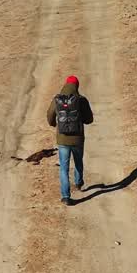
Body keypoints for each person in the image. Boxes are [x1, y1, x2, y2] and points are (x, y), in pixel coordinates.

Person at [46, 75, 94, 206]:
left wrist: (54, 124)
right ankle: (78, 182)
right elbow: (89, 119)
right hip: (78, 139)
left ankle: (66, 196)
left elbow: (50, 116)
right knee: (78, 161)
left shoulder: (57, 99)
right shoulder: (81, 100)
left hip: (62, 140)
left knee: (63, 168)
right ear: (77, 86)